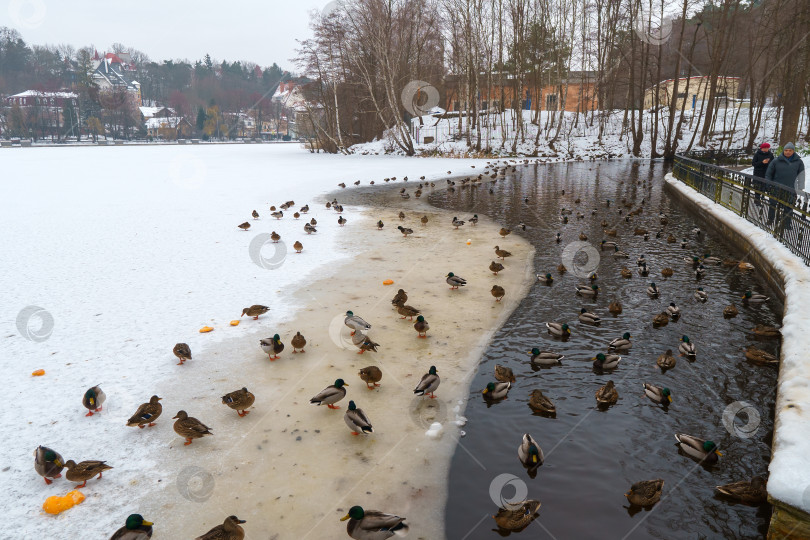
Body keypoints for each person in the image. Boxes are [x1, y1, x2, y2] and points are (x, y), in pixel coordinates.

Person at [765, 142, 805, 230]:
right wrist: (769, 184)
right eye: (786, 150)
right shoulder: (776, 161)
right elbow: (768, 174)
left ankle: (787, 224)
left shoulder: (799, 162)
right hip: (775, 188)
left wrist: (800, 187)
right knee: (773, 204)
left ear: (793, 151)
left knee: (788, 207)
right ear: (783, 151)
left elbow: (801, 175)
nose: (787, 152)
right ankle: (770, 219)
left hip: (790, 188)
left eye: (790, 150)